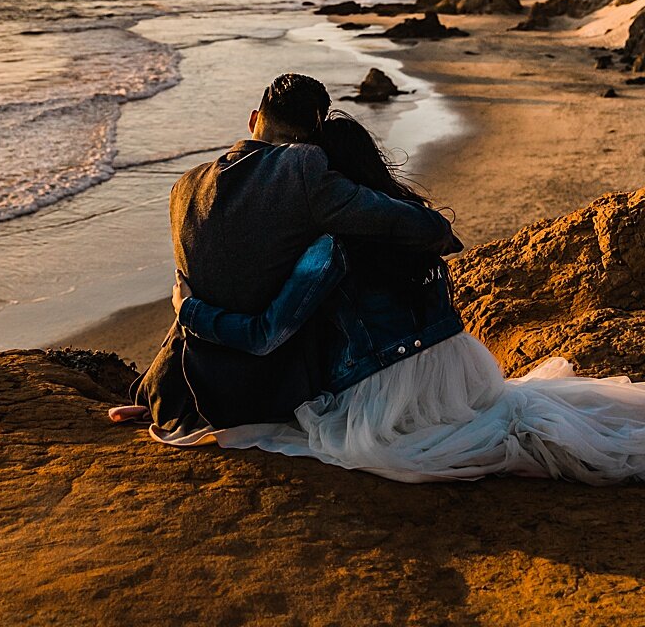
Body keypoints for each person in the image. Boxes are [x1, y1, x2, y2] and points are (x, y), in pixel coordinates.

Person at [172, 111, 645, 484]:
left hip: (388, 391)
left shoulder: (328, 249)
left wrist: (189, 310)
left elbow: (266, 334)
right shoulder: (407, 224)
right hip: (462, 369)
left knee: (315, 431)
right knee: (516, 409)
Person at [112, 75, 456, 444]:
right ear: (313, 138)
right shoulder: (303, 168)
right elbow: (423, 228)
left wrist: (153, 387)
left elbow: (199, 291)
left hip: (184, 395)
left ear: (253, 118)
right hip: (274, 396)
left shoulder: (184, 188)